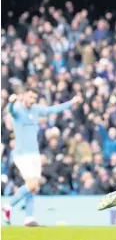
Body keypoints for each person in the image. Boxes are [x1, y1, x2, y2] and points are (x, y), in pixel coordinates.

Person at [2, 87, 83, 226]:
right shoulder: (17, 108)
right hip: (22, 154)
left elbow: (52, 109)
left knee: (33, 187)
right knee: (32, 184)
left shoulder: (36, 109)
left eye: (34, 98)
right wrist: (10, 102)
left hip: (34, 153)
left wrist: (71, 102)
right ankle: (8, 206)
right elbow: (11, 111)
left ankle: (28, 219)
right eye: (30, 97)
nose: (32, 100)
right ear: (24, 96)